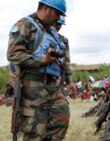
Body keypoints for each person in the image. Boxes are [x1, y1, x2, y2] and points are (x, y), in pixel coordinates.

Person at [7, 0, 77, 140]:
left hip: (52, 85)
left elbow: (64, 61)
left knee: (61, 118)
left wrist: (70, 80)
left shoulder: (53, 32)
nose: (59, 18)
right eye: (57, 13)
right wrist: (41, 61)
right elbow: (13, 54)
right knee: (35, 130)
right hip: (32, 85)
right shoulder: (25, 25)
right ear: (46, 8)